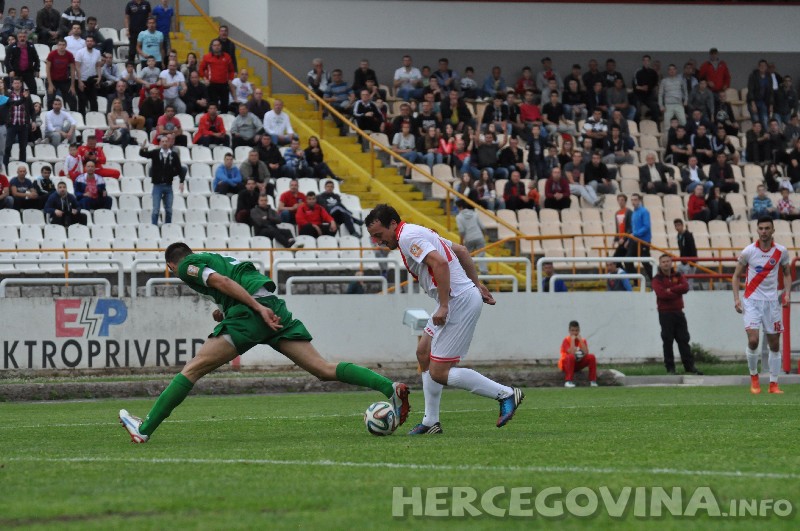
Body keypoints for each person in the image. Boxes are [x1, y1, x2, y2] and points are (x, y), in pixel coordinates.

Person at [119, 242, 411, 443]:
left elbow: (222, 282)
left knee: (192, 370)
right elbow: (231, 284)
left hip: (255, 311)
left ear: (171, 265)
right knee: (323, 368)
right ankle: (390, 388)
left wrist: (255, 309)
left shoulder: (186, 266)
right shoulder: (211, 255)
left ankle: (144, 429)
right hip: (270, 303)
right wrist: (227, 309)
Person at [365, 204, 524, 434]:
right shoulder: (415, 231)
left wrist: (445, 305)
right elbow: (460, 250)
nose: (379, 241)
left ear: (392, 224)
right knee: (423, 352)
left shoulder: (408, 237)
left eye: (380, 235)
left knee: (439, 372)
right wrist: (476, 284)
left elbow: (439, 263)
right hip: (459, 297)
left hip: (457, 301)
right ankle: (431, 422)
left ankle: (506, 394)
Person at [732, 217, 791, 394]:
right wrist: (736, 298)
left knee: (774, 344)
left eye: (767, 228)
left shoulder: (781, 251)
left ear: (773, 231)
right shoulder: (749, 251)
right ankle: (754, 377)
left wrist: (787, 293)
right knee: (753, 340)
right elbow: (735, 276)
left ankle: (773, 384)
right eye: (761, 228)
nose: (764, 231)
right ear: (757, 231)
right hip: (751, 300)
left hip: (772, 303)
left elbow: (787, 273)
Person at [652, 254, 702, 375]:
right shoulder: (657, 279)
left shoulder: (678, 275)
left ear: (671, 263)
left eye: (668, 261)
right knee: (668, 341)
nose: (666, 264)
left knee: (683, 339)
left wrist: (670, 290)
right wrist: (676, 291)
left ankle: (689, 367)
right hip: (665, 313)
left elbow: (685, 287)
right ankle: (670, 368)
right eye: (663, 262)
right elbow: (661, 294)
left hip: (678, 312)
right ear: (660, 264)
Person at [139, 135, 184, 225]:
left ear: (169, 143)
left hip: (168, 185)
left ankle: (168, 227)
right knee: (156, 210)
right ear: (160, 143)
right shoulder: (155, 153)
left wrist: (181, 181)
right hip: (157, 185)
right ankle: (153, 228)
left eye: (166, 141)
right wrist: (142, 148)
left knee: (169, 210)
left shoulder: (173, 155)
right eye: (162, 141)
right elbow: (144, 154)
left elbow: (179, 169)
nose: (164, 143)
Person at [3, 77, 34, 169]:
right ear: (12, 85)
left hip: (23, 124)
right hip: (11, 124)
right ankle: (5, 165)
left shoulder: (26, 95)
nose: (16, 85)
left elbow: (32, 109)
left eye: (18, 83)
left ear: (21, 84)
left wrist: (34, 121)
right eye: (15, 83)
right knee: (8, 146)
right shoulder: (8, 95)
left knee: (23, 147)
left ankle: (22, 166)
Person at [558, 321, 599, 388]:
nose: (574, 333)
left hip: (577, 364)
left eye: (576, 330)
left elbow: (586, 353)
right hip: (566, 365)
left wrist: (580, 340)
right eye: (572, 331)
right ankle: (568, 381)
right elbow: (571, 352)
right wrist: (573, 340)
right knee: (570, 357)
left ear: (579, 330)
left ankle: (593, 381)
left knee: (592, 357)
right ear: (569, 331)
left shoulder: (582, 340)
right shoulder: (566, 340)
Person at [200, 38, 235, 113]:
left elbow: (232, 70)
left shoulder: (227, 57)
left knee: (225, 106)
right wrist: (205, 79)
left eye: (218, 45)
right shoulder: (207, 57)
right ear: (212, 47)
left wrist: (230, 79)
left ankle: (224, 122)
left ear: (221, 46)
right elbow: (201, 69)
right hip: (212, 85)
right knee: (213, 106)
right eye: (215, 45)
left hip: (224, 85)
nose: (217, 47)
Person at [455, 200, 487, 275]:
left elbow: (462, 231)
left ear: (459, 207)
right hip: (479, 236)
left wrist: (461, 242)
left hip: (469, 238)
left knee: (467, 256)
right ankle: (484, 271)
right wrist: (484, 236)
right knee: (481, 255)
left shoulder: (459, 217)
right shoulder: (474, 214)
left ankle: (468, 273)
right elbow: (482, 227)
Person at [5, 30, 40, 95]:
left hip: (28, 71)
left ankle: (33, 103)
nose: (22, 38)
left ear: (26, 37)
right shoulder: (11, 47)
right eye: (20, 37)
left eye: (24, 37)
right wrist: (10, 70)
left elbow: (36, 59)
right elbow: (7, 61)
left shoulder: (31, 46)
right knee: (16, 90)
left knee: (33, 88)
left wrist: (36, 70)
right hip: (16, 72)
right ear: (17, 38)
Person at [74, 34, 102, 114]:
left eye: (91, 41)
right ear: (85, 42)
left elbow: (98, 65)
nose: (89, 43)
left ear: (94, 42)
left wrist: (99, 77)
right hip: (81, 80)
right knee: (82, 100)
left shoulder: (97, 52)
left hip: (92, 80)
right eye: (88, 41)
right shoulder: (80, 52)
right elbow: (77, 67)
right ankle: (82, 119)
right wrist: (79, 81)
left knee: (93, 100)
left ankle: (95, 118)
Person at [626, 193, 652, 279]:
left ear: (639, 200)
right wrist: (628, 240)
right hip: (634, 241)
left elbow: (646, 226)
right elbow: (633, 229)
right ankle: (637, 281)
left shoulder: (644, 211)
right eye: (632, 200)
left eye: (635, 200)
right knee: (627, 260)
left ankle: (654, 281)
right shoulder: (634, 213)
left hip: (643, 241)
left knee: (645, 262)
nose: (633, 202)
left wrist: (635, 234)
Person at [673, 218, 697, 290]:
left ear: (682, 225)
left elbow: (693, 248)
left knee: (689, 282)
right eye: (676, 226)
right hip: (683, 262)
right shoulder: (678, 236)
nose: (677, 227)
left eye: (679, 225)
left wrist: (692, 262)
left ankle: (690, 295)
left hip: (689, 262)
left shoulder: (688, 235)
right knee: (676, 274)